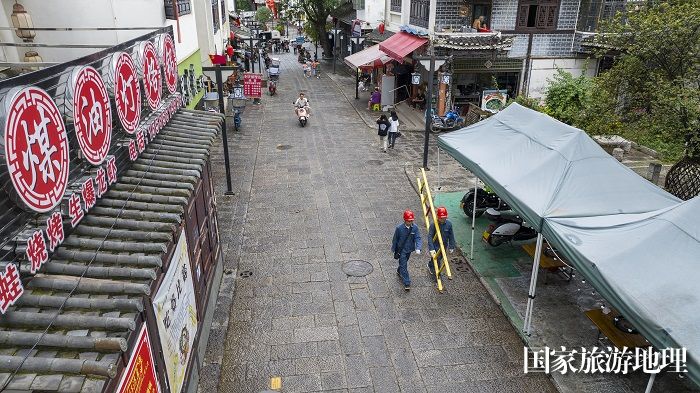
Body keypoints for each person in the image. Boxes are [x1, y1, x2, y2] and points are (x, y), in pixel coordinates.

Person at [392, 210, 422, 290]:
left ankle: (399, 270)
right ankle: (407, 282)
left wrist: (418, 248)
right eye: (409, 221)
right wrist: (394, 249)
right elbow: (395, 239)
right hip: (401, 251)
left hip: (409, 250)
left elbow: (418, 238)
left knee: (403, 264)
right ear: (405, 220)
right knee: (404, 265)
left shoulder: (415, 227)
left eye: (412, 220)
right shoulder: (399, 228)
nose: (410, 222)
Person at [426, 206, 456, 278]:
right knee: (438, 259)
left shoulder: (449, 224)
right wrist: (431, 248)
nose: (442, 219)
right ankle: (437, 276)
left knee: (440, 257)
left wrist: (452, 246)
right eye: (441, 218)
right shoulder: (433, 225)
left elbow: (451, 235)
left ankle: (430, 264)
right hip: (435, 245)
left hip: (444, 245)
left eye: (444, 218)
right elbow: (430, 237)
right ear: (438, 217)